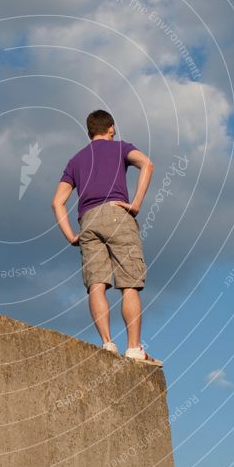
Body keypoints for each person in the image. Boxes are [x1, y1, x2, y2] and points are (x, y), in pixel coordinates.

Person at [51, 109, 163, 366]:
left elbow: (57, 202)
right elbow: (148, 164)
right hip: (117, 213)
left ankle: (107, 344)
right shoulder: (120, 148)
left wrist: (70, 235)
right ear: (111, 128)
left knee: (96, 284)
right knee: (130, 283)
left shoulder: (75, 160)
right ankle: (134, 348)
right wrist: (135, 204)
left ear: (89, 131)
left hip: (87, 220)